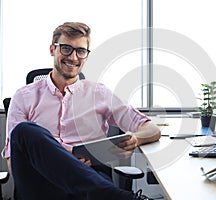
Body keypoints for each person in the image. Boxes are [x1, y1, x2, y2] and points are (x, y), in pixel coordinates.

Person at [2, 22, 161, 200]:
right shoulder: (24, 96)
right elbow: (13, 162)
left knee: (92, 182)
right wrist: (66, 160)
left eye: (81, 51)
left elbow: (152, 129)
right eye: (66, 49)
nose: (73, 57)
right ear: (52, 50)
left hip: (90, 181)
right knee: (24, 131)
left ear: (86, 55)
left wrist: (136, 138)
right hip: (41, 185)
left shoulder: (99, 94)